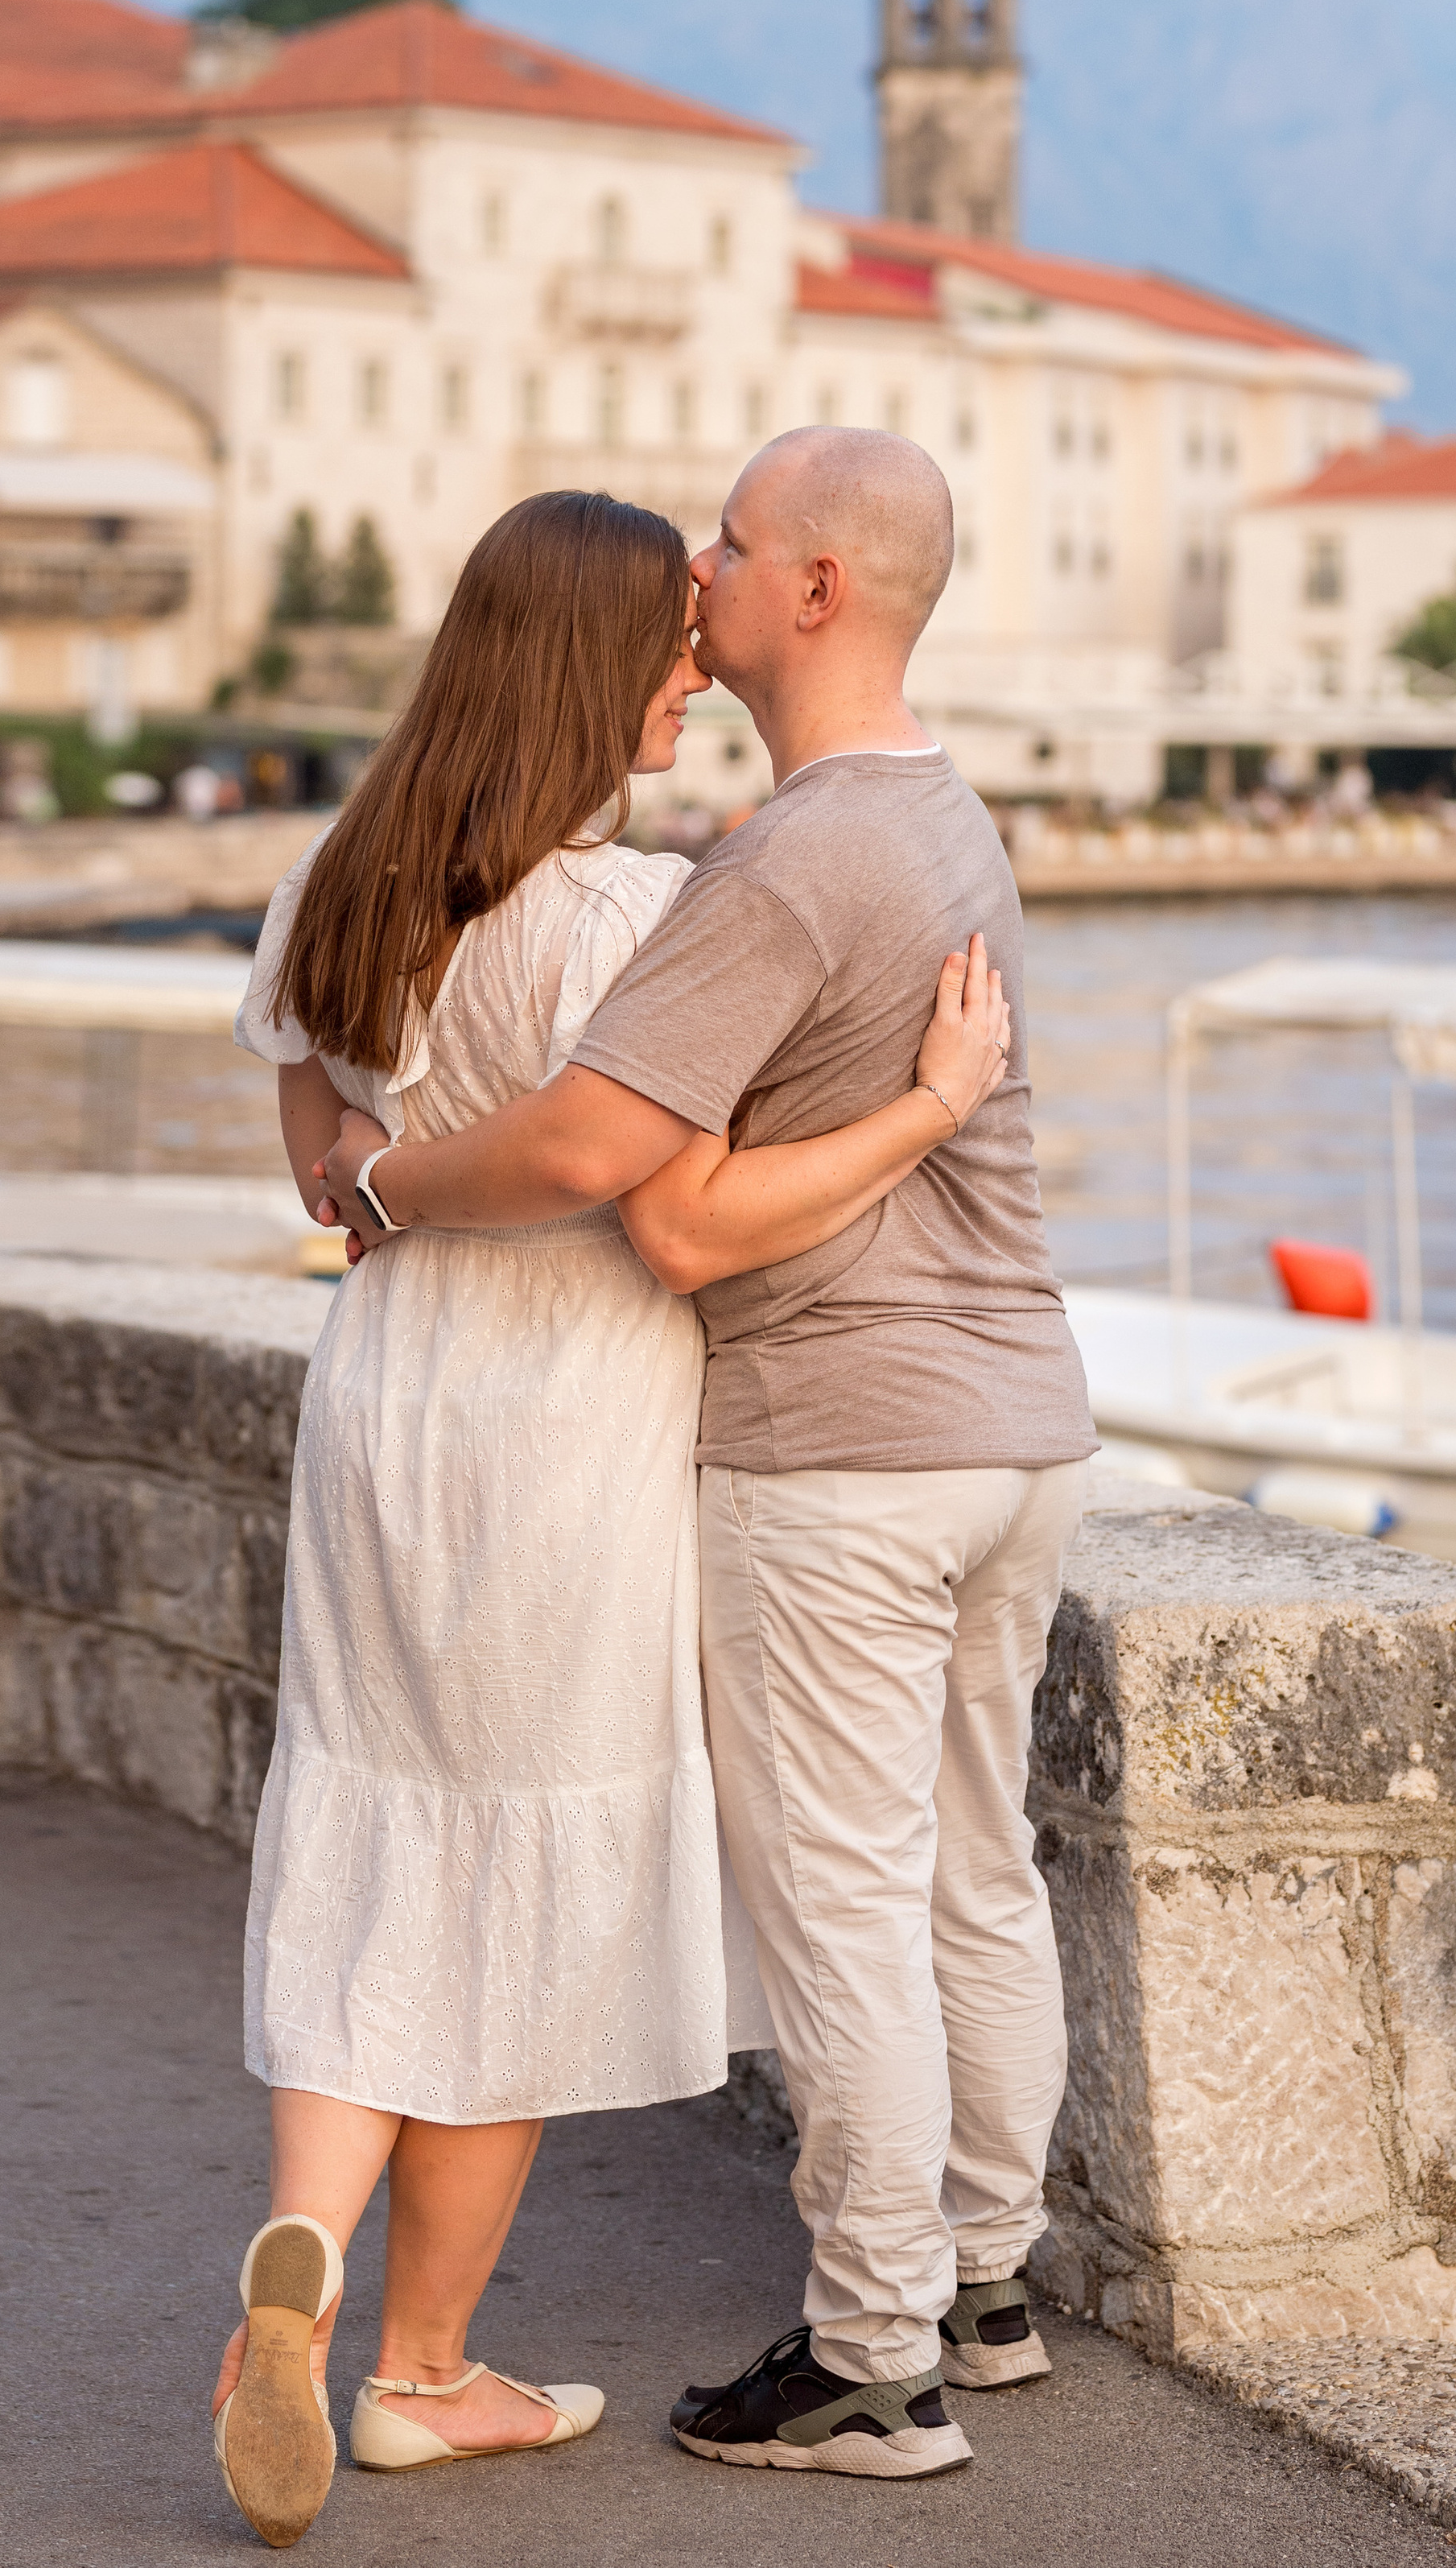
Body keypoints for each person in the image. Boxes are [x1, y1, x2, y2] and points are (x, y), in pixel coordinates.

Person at [212, 485, 1015, 2547]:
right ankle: (416, 2372)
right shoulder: (624, 920)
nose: (691, 669)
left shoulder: (348, 869)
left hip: (386, 1400)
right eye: (665, 641)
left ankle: (303, 2242)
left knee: (376, 1821)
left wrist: (376, 1181)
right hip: (570, 1424)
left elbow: (318, 1136)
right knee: (519, 1876)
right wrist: (928, 1111)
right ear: (588, 666)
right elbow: (661, 1194)